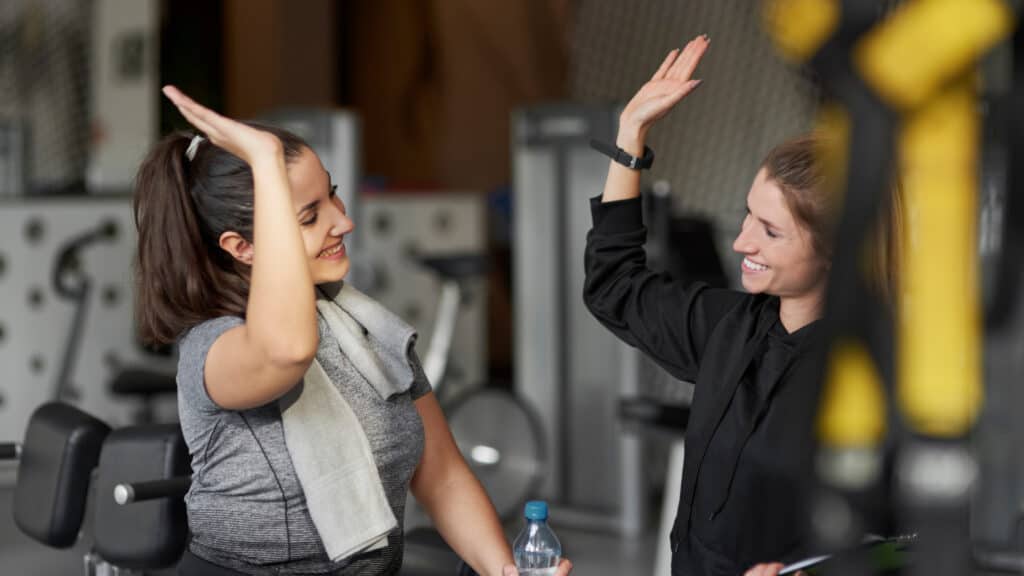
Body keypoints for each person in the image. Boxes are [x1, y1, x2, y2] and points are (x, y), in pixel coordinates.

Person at [134, 86, 572, 576]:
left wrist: (504, 571)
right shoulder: (213, 346)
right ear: (243, 247)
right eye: (309, 215)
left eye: (332, 195)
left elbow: (442, 474)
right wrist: (265, 158)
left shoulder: (367, 330)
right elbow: (289, 350)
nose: (343, 221)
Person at [582, 36, 898, 576]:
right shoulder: (729, 328)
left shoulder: (875, 371)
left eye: (770, 231)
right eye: (746, 216)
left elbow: (908, 538)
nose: (741, 243)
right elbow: (614, 285)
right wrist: (629, 139)